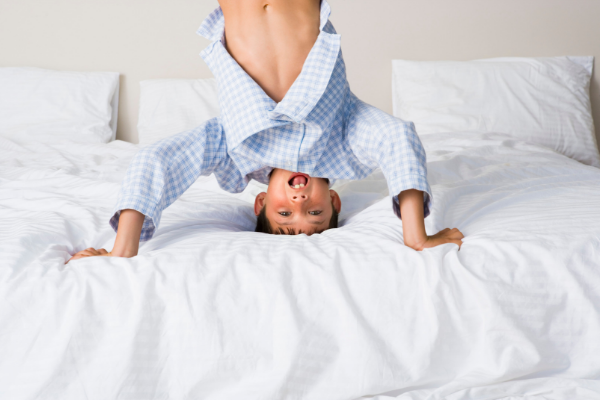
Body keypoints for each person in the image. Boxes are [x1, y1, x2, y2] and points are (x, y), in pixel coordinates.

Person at [67, 0, 463, 263]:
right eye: (315, 212)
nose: (299, 197)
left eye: (285, 212)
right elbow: (399, 140)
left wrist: (122, 251)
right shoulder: (346, 135)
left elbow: (157, 162)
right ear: (335, 200)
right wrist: (416, 236)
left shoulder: (233, 150)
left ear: (260, 205)